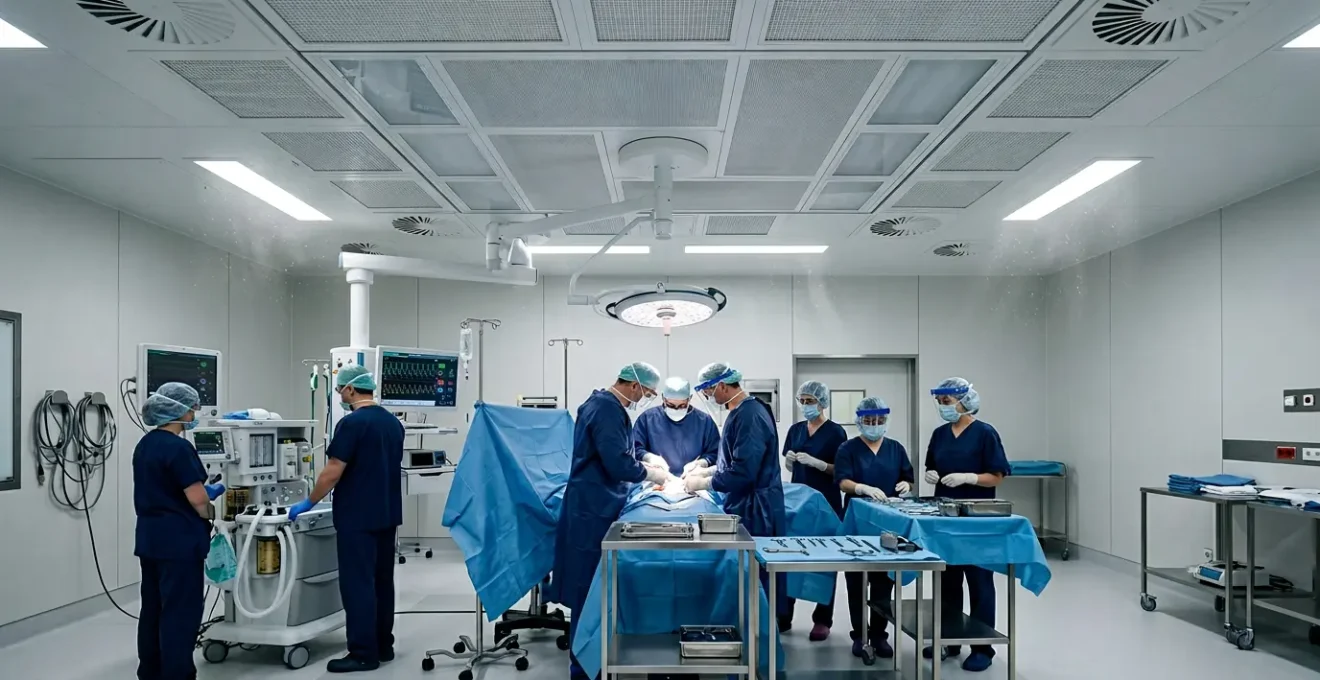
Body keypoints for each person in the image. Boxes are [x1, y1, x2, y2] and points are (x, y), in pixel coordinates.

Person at [549, 362, 671, 680]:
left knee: (593, 589)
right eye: (647, 392)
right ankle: (584, 668)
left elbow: (617, 449)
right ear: (633, 385)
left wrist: (643, 457)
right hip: (592, 509)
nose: (645, 398)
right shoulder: (607, 409)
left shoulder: (601, 404)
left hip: (594, 503)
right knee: (588, 591)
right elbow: (616, 463)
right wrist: (649, 473)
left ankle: (593, 658)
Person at [287, 365, 404, 673]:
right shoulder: (392, 423)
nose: (339, 395)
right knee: (382, 582)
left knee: (358, 584)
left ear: (351, 390)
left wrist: (309, 501)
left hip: (358, 517)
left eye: (340, 390)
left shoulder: (352, 424)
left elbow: (333, 471)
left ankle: (363, 653)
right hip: (387, 514)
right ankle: (383, 646)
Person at [134, 382, 225, 680]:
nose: (195, 412)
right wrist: (213, 514)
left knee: (153, 608)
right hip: (179, 543)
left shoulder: (145, 445)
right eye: (191, 408)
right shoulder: (179, 447)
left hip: (150, 539)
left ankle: (150, 671)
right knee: (180, 612)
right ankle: (177, 673)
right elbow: (197, 499)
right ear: (178, 411)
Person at [922, 377, 1010, 673]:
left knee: (980, 582)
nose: (943, 407)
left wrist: (970, 478)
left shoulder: (985, 433)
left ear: (965, 401)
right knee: (947, 581)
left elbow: (997, 475)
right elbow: (931, 465)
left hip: (977, 520)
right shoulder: (939, 433)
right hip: (945, 517)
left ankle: (982, 647)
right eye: (940, 402)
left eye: (947, 402)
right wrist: (932, 475)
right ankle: (949, 639)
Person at [684, 362, 787, 602]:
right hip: (748, 502)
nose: (708, 396)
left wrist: (702, 483)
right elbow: (734, 460)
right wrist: (707, 470)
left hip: (756, 509)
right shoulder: (742, 411)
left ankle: (761, 627)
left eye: (708, 391)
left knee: (756, 573)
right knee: (747, 573)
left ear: (721, 385)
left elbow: (743, 472)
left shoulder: (750, 416)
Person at [833, 397, 914, 659]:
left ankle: (879, 635)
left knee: (883, 581)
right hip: (857, 522)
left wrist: (906, 487)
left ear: (885, 421)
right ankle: (860, 634)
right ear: (860, 421)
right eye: (868, 421)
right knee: (856, 580)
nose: (874, 425)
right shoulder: (848, 448)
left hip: (887, 524)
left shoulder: (895, 448)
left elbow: (907, 477)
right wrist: (861, 488)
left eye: (879, 421)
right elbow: (842, 481)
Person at [779, 380, 848, 639]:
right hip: (799, 503)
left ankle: (822, 620)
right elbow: (790, 464)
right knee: (790, 558)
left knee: (826, 560)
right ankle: (784, 615)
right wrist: (789, 462)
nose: (806, 405)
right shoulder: (796, 429)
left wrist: (820, 464)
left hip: (826, 503)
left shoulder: (835, 432)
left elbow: (839, 470)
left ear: (822, 402)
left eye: (811, 401)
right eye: (803, 401)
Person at [632, 377, 721, 477]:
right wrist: (649, 457)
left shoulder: (705, 421)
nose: (676, 409)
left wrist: (701, 463)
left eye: (682, 405)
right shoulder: (647, 419)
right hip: (656, 481)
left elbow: (715, 452)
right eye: (671, 405)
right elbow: (635, 449)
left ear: (690, 398)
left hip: (693, 480)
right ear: (663, 398)